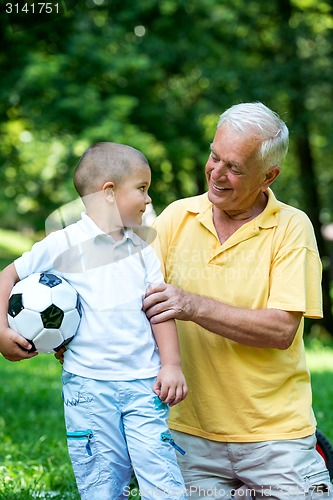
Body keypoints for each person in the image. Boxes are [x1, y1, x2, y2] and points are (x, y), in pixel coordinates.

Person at [143, 102, 332, 499]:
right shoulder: (176, 218)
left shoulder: (291, 228)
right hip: (187, 431)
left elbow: (281, 329)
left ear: (269, 176)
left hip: (275, 434)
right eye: (214, 156)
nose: (216, 172)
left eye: (235, 167)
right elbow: (132, 298)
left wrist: (193, 306)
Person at [0, 142, 188, 499]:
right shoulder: (61, 244)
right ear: (109, 192)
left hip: (144, 386)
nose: (148, 200)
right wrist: (1, 331)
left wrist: (172, 365)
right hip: (87, 388)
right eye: (142, 189)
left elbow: (158, 309)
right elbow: (6, 276)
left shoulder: (144, 249)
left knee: (164, 482)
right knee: (100, 485)